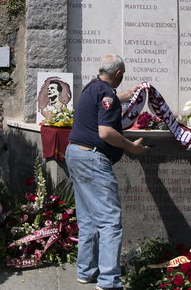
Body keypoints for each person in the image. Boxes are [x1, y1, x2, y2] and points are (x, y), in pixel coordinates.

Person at [66, 54, 147, 290]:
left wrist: (125, 95)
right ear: (118, 74)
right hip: (92, 159)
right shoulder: (107, 94)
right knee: (110, 221)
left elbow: (106, 100)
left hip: (75, 154)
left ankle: (86, 271)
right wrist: (132, 147)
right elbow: (105, 132)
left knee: (88, 218)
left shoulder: (93, 87)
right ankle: (109, 281)